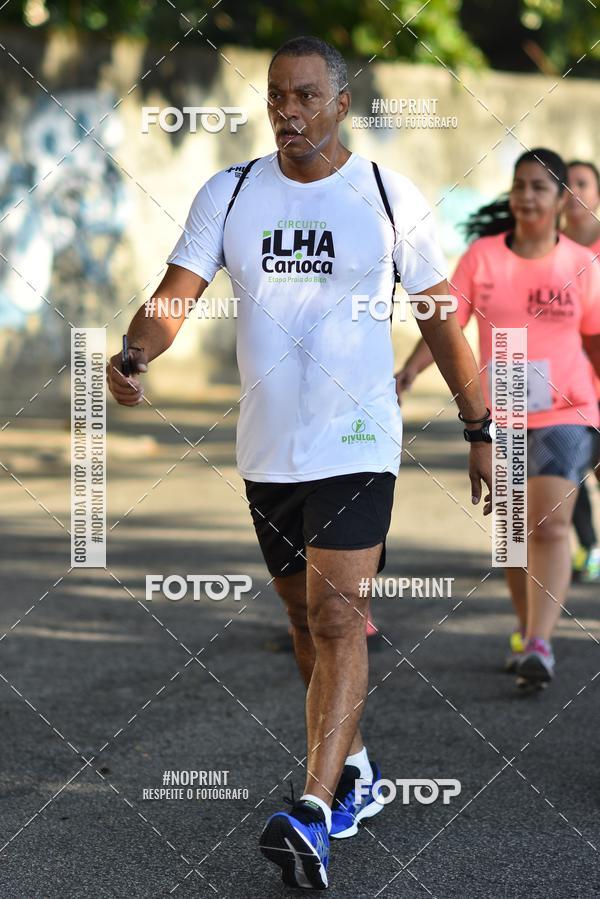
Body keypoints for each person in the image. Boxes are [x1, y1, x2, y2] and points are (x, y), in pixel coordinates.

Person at [107, 36, 492, 891]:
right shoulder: (232, 191)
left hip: (358, 442)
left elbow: (438, 320)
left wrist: (481, 424)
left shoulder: (390, 197)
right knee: (299, 618)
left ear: (342, 103)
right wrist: (136, 350)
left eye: (306, 95)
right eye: (277, 95)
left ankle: (314, 811)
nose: (288, 110)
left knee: (335, 615)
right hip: (268, 450)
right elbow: (176, 294)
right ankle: (353, 764)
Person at [397, 148, 600, 690]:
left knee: (552, 523)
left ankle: (540, 642)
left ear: (560, 200)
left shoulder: (581, 264)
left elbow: (596, 341)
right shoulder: (483, 257)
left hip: (568, 410)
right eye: (520, 185)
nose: (527, 195)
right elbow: (448, 325)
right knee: (512, 534)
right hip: (501, 409)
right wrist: (410, 371)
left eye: (540, 187)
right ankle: (526, 625)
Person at [564, 160, 600, 582]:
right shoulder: (545, 249)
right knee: (568, 472)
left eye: (582, 184)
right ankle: (589, 547)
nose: (572, 192)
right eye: (565, 185)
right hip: (566, 389)